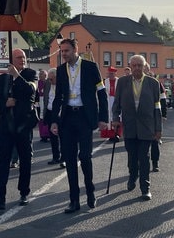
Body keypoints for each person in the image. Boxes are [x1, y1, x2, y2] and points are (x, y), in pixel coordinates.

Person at [50, 38, 109, 214]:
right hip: (68, 117)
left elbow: (102, 93)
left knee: (85, 156)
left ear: (76, 49)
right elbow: (58, 97)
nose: (64, 54)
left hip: (85, 116)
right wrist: (54, 120)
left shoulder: (91, 67)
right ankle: (74, 200)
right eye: (62, 51)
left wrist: (103, 117)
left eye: (66, 51)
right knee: (69, 159)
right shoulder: (61, 71)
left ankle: (90, 192)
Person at [0, 48, 38, 209]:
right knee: (3, 161)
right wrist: (4, 103)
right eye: (19, 57)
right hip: (5, 126)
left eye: (24, 57)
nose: (22, 60)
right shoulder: (2, 79)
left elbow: (30, 91)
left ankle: (24, 192)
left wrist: (16, 75)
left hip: (23, 125)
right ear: (11, 60)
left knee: (25, 160)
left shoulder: (30, 74)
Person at [111, 55, 162, 201]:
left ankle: (145, 188)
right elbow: (116, 104)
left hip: (147, 126)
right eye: (134, 65)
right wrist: (115, 119)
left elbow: (157, 107)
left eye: (140, 65)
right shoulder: (122, 82)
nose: (137, 68)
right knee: (132, 157)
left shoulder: (153, 83)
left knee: (144, 157)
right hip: (129, 126)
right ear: (130, 66)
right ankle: (132, 176)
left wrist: (158, 129)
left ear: (145, 66)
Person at [144, 63, 166, 172]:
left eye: (146, 68)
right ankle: (141, 163)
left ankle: (155, 162)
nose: (144, 70)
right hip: (141, 117)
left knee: (154, 141)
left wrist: (164, 114)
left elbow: (163, 98)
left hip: (153, 115)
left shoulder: (155, 82)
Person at [41, 68, 64, 167]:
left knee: (63, 137)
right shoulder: (48, 84)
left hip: (61, 113)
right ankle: (55, 157)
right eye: (49, 79)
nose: (50, 81)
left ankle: (64, 159)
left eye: (52, 79)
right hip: (50, 113)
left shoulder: (63, 85)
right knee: (53, 137)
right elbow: (46, 99)